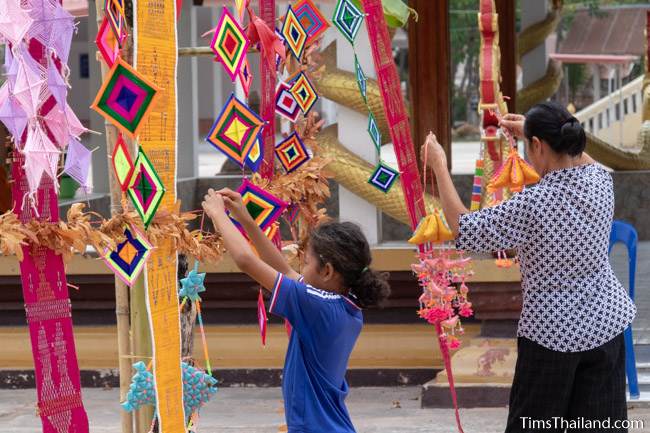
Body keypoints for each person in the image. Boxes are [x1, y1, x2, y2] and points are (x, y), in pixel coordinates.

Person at [421, 101, 636, 433]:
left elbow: (464, 228)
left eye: (531, 147)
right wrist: (537, 133)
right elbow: (584, 157)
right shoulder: (600, 181)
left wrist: (439, 166)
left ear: (538, 146)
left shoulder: (534, 203)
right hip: (606, 322)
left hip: (552, 332)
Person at [202, 188, 390, 433]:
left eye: (307, 262)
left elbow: (246, 262)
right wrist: (245, 219)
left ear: (328, 271)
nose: (301, 266)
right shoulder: (342, 303)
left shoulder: (318, 306)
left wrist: (219, 215)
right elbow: (283, 271)